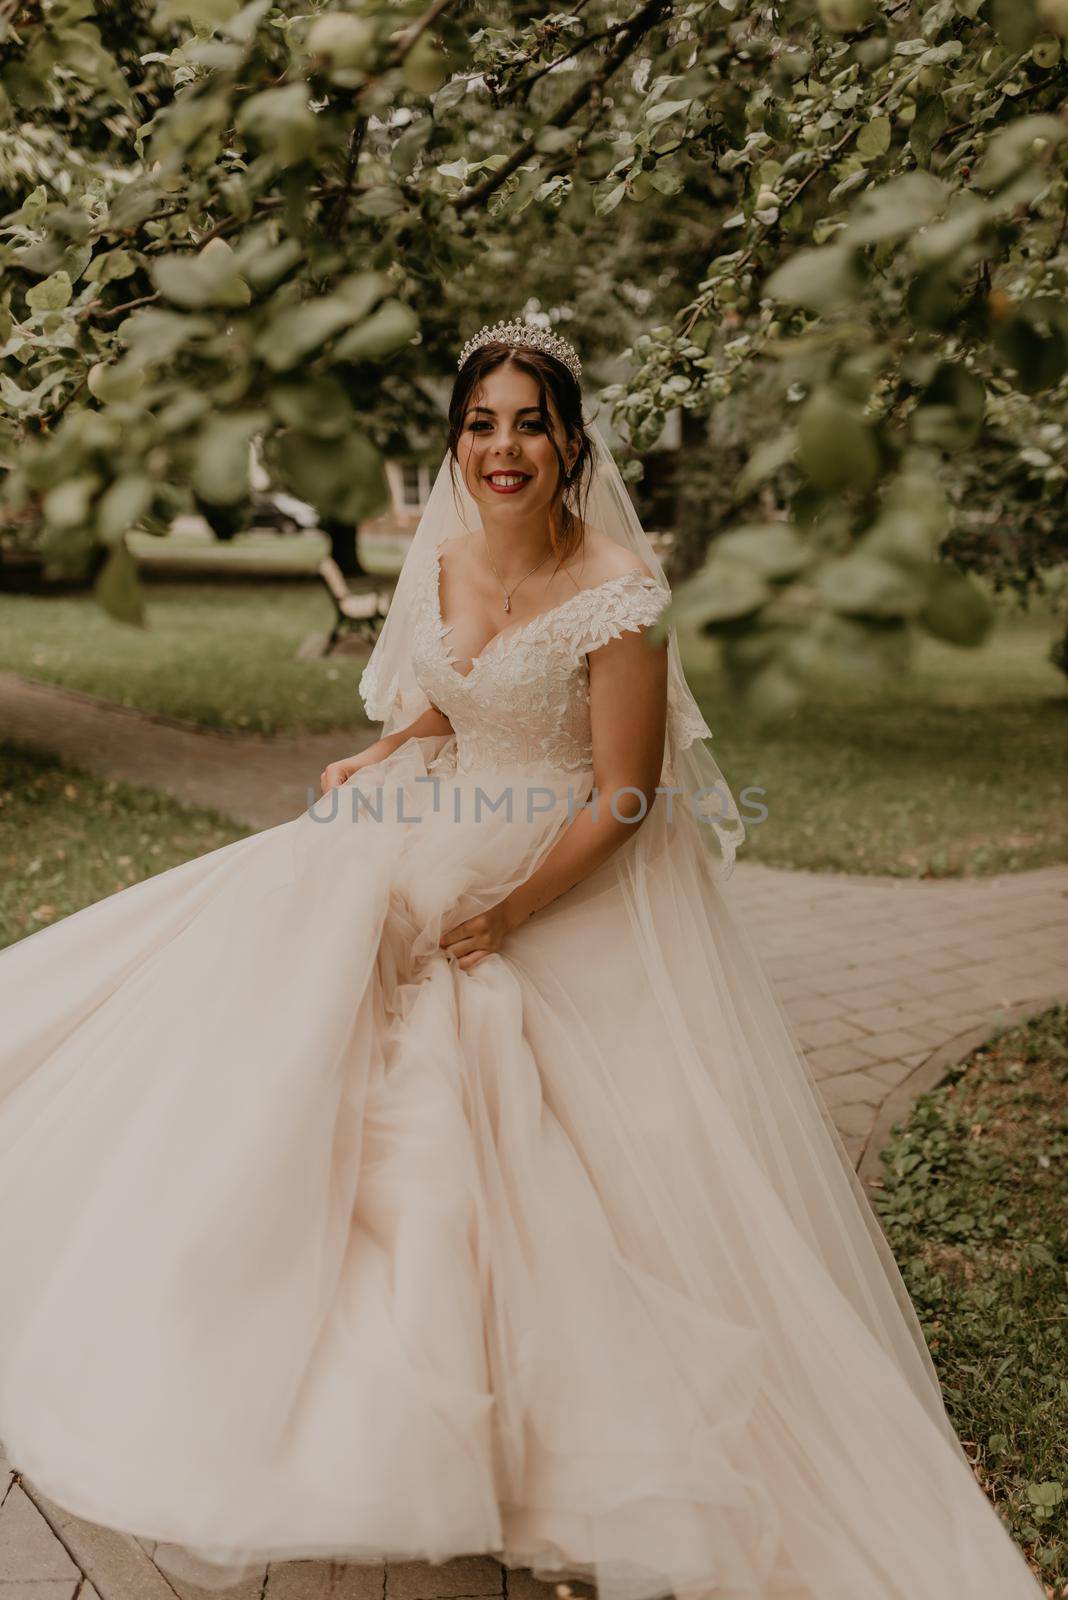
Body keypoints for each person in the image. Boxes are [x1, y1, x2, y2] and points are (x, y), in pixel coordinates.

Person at [0, 319, 1044, 1600]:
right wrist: (384, 754)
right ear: (458, 441)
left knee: (516, 1107)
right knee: (283, 961)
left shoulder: (619, 594)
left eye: (529, 422)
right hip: (432, 818)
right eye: (482, 422)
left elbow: (624, 795)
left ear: (569, 441)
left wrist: (514, 912)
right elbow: (457, 690)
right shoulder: (439, 554)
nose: (504, 447)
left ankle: (521, 1422)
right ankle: (233, 1291)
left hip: (556, 859)